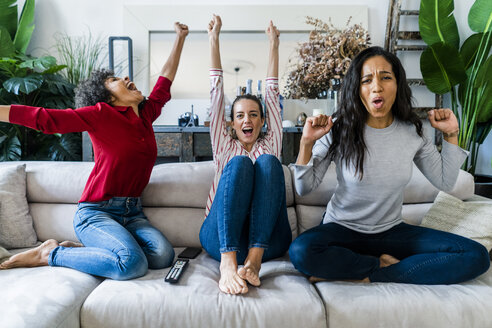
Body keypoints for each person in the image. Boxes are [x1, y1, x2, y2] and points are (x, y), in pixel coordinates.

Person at [0, 23, 189, 280]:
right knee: (132, 265)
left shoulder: (146, 116)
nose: (124, 78)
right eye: (114, 80)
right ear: (106, 97)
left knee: (162, 256)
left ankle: (95, 251)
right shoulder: (100, 115)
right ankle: (50, 254)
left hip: (133, 213)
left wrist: (180, 38)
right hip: (96, 212)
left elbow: (165, 80)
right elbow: (46, 119)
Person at [288, 46, 490, 285]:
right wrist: (307, 143)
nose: (377, 86)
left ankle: (369, 271)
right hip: (341, 229)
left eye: (386, 77)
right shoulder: (339, 128)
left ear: (398, 84)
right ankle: (380, 264)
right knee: (301, 251)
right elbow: (303, 188)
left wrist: (451, 135)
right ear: (357, 88)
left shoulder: (412, 131)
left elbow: (445, 181)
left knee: (475, 255)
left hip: (392, 232)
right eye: (367, 80)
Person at [199, 15, 292, 294]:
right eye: (240, 116)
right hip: (220, 237)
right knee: (239, 164)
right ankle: (228, 264)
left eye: (253, 115)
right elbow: (216, 94)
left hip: (267, 241)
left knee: (268, 162)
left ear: (263, 121)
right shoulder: (224, 146)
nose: (246, 120)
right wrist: (213, 39)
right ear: (232, 123)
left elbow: (272, 92)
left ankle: (253, 262)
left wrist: (274, 44)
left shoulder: (271, 142)